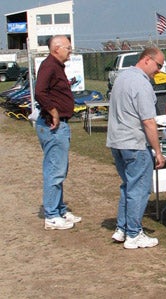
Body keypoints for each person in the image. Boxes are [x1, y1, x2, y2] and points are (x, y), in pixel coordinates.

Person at [106, 47, 166, 249]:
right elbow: (148, 121)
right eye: (158, 65)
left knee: (128, 186)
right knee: (139, 188)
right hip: (134, 143)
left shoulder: (122, 77)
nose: (159, 70)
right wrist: (158, 151)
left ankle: (122, 229)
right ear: (147, 60)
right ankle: (134, 233)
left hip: (117, 141)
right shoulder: (142, 83)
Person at [34, 35, 82, 230]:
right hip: (53, 126)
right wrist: (53, 111)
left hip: (60, 126)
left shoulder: (56, 66)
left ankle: (60, 209)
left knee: (59, 169)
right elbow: (40, 92)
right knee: (55, 170)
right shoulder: (49, 66)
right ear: (56, 48)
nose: (70, 51)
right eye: (68, 48)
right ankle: (52, 215)